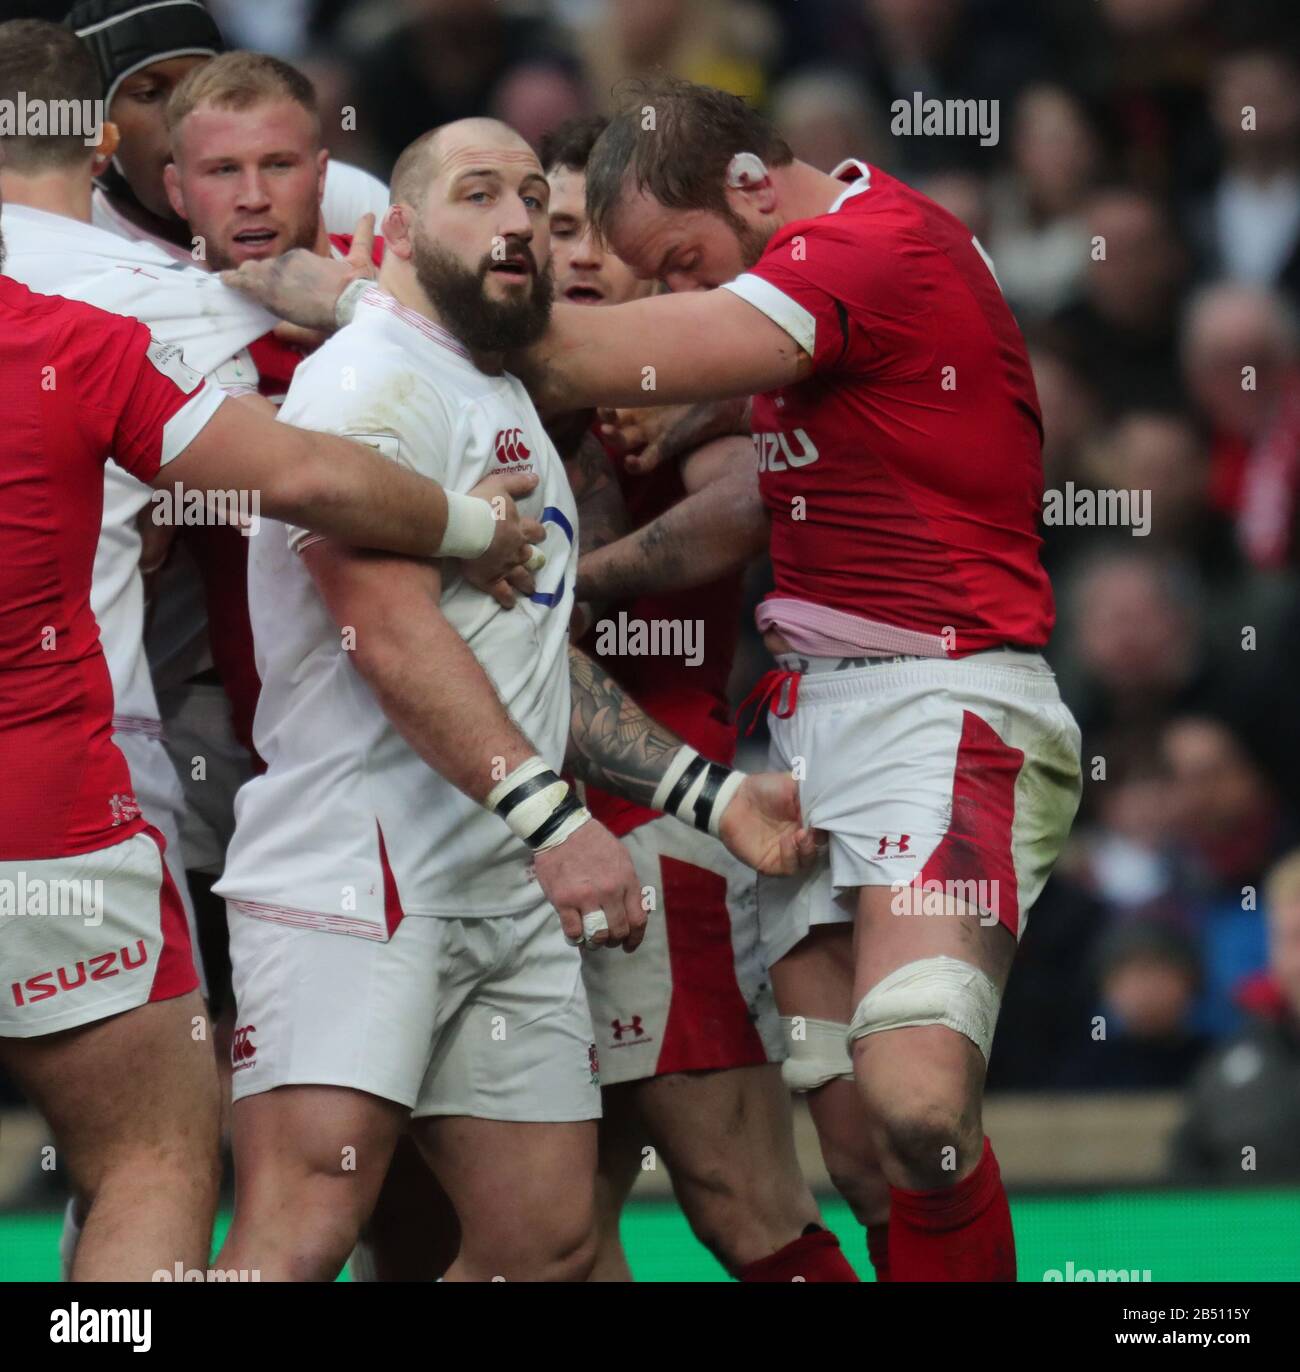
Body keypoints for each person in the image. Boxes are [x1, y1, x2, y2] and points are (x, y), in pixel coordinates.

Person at [212, 116, 815, 1283]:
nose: (517, 225)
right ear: (392, 230)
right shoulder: (368, 379)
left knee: (543, 1244)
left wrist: (711, 797)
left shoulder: (492, 390)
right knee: (300, 1236)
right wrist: (560, 822)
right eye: (478, 195)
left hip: (502, 878)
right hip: (361, 873)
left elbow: (527, 659)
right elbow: (388, 633)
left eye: (534, 201)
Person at [0, 187, 541, 1290]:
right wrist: (476, 523)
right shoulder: (70, 341)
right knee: (149, 1159)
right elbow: (303, 475)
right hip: (42, 821)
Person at [541, 114, 856, 1282]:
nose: (574, 256)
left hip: (666, 833)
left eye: (596, 234)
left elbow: (745, 508)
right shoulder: (504, 390)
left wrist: (570, 582)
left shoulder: (678, 387)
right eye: (549, 223)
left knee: (740, 1202)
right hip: (514, 845)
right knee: (552, 1232)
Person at [65, 0, 388, 260]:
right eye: (150, 94)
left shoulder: (344, 196)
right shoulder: (75, 253)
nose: (183, 114)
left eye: (203, 85)